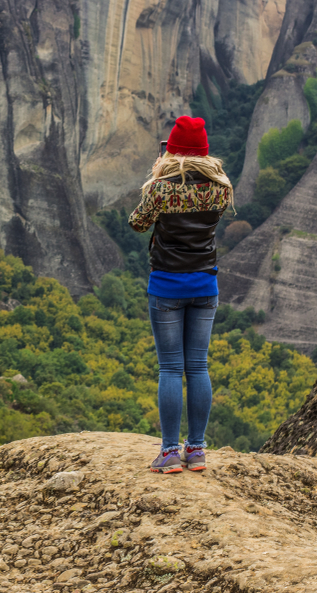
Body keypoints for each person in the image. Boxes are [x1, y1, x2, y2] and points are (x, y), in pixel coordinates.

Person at [128, 116, 233, 474]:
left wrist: (158, 176)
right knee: (198, 366)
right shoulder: (221, 188)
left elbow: (138, 223)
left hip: (167, 286)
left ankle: (171, 452)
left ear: (171, 150)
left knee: (171, 368)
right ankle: (198, 449)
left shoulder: (162, 189)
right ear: (204, 150)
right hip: (205, 285)